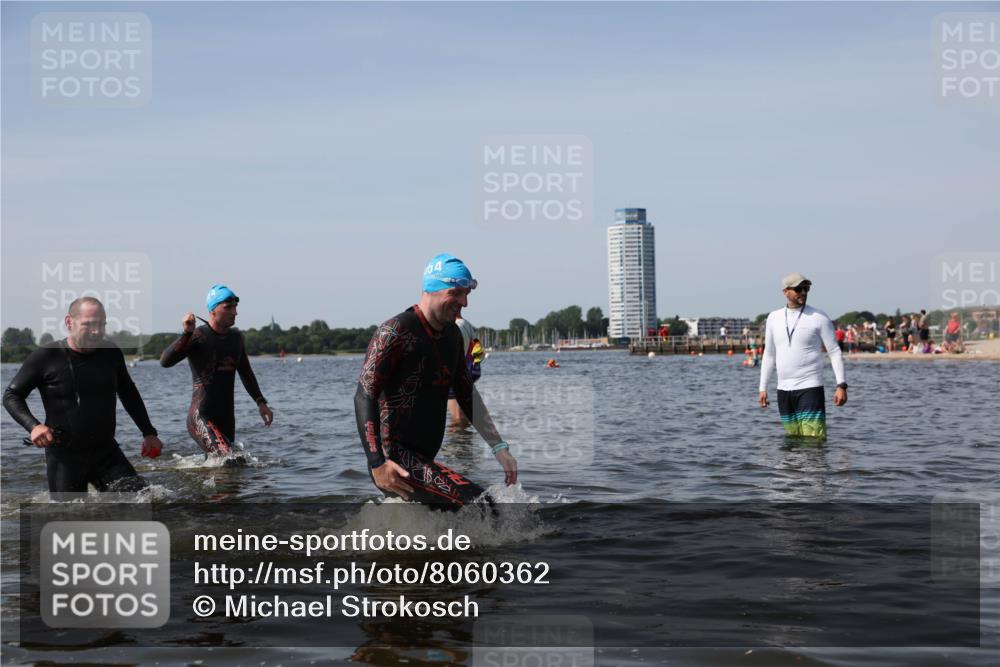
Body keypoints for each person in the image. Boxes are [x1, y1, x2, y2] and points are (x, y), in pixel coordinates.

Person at [354, 254, 517, 508]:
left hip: (424, 459)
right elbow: (364, 395)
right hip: (395, 461)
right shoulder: (394, 332)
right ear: (432, 289)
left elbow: (466, 393)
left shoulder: (452, 336)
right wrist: (377, 463)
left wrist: (499, 447)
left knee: (474, 513)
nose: (464, 302)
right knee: (483, 507)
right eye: (456, 293)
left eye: (467, 295)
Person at [3, 297, 163, 492]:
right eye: (88, 325)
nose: (96, 331)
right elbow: (12, 395)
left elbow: (128, 392)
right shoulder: (47, 355)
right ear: (69, 322)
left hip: (106, 452)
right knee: (69, 516)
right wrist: (34, 426)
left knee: (144, 501)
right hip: (64, 458)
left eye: (101, 325)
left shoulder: (110, 352)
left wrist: (148, 432)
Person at [160, 285, 273, 457]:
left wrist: (261, 402)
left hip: (227, 417)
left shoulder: (236, 338)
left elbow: (246, 372)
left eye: (235, 307)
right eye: (228, 307)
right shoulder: (198, 336)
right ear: (213, 310)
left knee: (230, 467)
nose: (234, 312)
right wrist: (186, 333)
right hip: (201, 416)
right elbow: (165, 362)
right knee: (225, 459)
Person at [758, 273, 847, 440]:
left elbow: (834, 352)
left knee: (813, 441)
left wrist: (841, 385)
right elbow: (769, 355)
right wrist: (762, 388)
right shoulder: (773, 318)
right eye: (798, 289)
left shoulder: (819, 317)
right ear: (785, 292)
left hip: (810, 387)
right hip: (783, 390)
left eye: (806, 289)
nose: (803, 293)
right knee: (793, 441)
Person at [447, 317, 483, 425]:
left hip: (456, 375)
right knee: (463, 417)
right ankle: (465, 440)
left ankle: (459, 441)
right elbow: (478, 350)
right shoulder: (467, 324)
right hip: (468, 374)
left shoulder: (454, 326)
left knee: (457, 418)